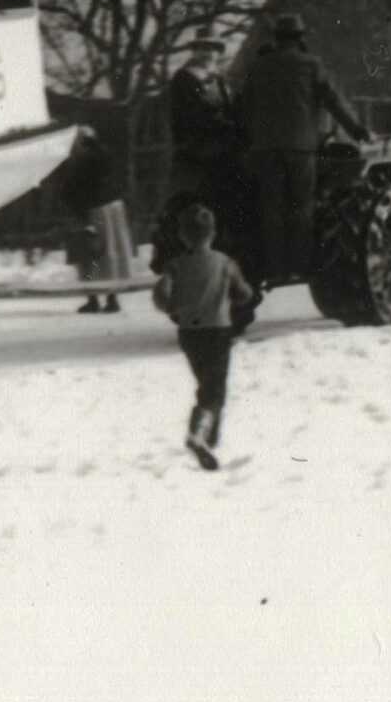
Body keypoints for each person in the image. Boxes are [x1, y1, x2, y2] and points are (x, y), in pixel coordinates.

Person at [236, 13, 368, 288]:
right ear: (300, 38)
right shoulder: (310, 65)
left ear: (277, 38)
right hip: (300, 149)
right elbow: (334, 101)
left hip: (265, 149)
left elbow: (243, 105)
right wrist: (357, 130)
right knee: (301, 207)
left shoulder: (259, 66)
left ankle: (273, 270)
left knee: (271, 209)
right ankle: (298, 267)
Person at [150, 200, 260, 471]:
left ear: (182, 235)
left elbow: (161, 295)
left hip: (189, 334)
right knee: (215, 389)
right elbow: (243, 293)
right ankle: (200, 435)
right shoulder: (225, 263)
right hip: (219, 331)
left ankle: (207, 437)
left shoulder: (174, 266)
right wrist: (245, 296)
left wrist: (174, 309)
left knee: (205, 385)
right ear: (213, 234)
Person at [161, 34, 245, 271]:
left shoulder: (219, 80)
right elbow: (194, 117)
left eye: (213, 48)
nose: (209, 53)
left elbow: (231, 109)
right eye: (203, 48)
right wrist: (228, 125)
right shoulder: (184, 79)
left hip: (223, 145)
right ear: (194, 51)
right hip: (198, 149)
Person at [58, 127, 135, 314]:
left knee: (88, 254)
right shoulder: (108, 155)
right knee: (112, 251)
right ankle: (112, 297)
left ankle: (93, 299)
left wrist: (75, 213)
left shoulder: (80, 159)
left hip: (94, 210)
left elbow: (72, 189)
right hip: (115, 206)